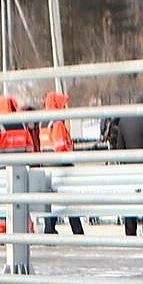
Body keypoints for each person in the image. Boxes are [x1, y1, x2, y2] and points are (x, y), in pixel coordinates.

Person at [102, 88, 143, 237]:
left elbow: (119, 147)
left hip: (129, 167)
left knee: (130, 199)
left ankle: (130, 230)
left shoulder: (124, 121)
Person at [39, 89, 83, 236]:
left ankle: (49, 228)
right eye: (63, 104)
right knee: (69, 200)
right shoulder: (58, 124)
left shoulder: (44, 122)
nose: (65, 107)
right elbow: (61, 147)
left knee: (52, 200)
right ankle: (77, 231)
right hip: (60, 166)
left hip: (47, 164)